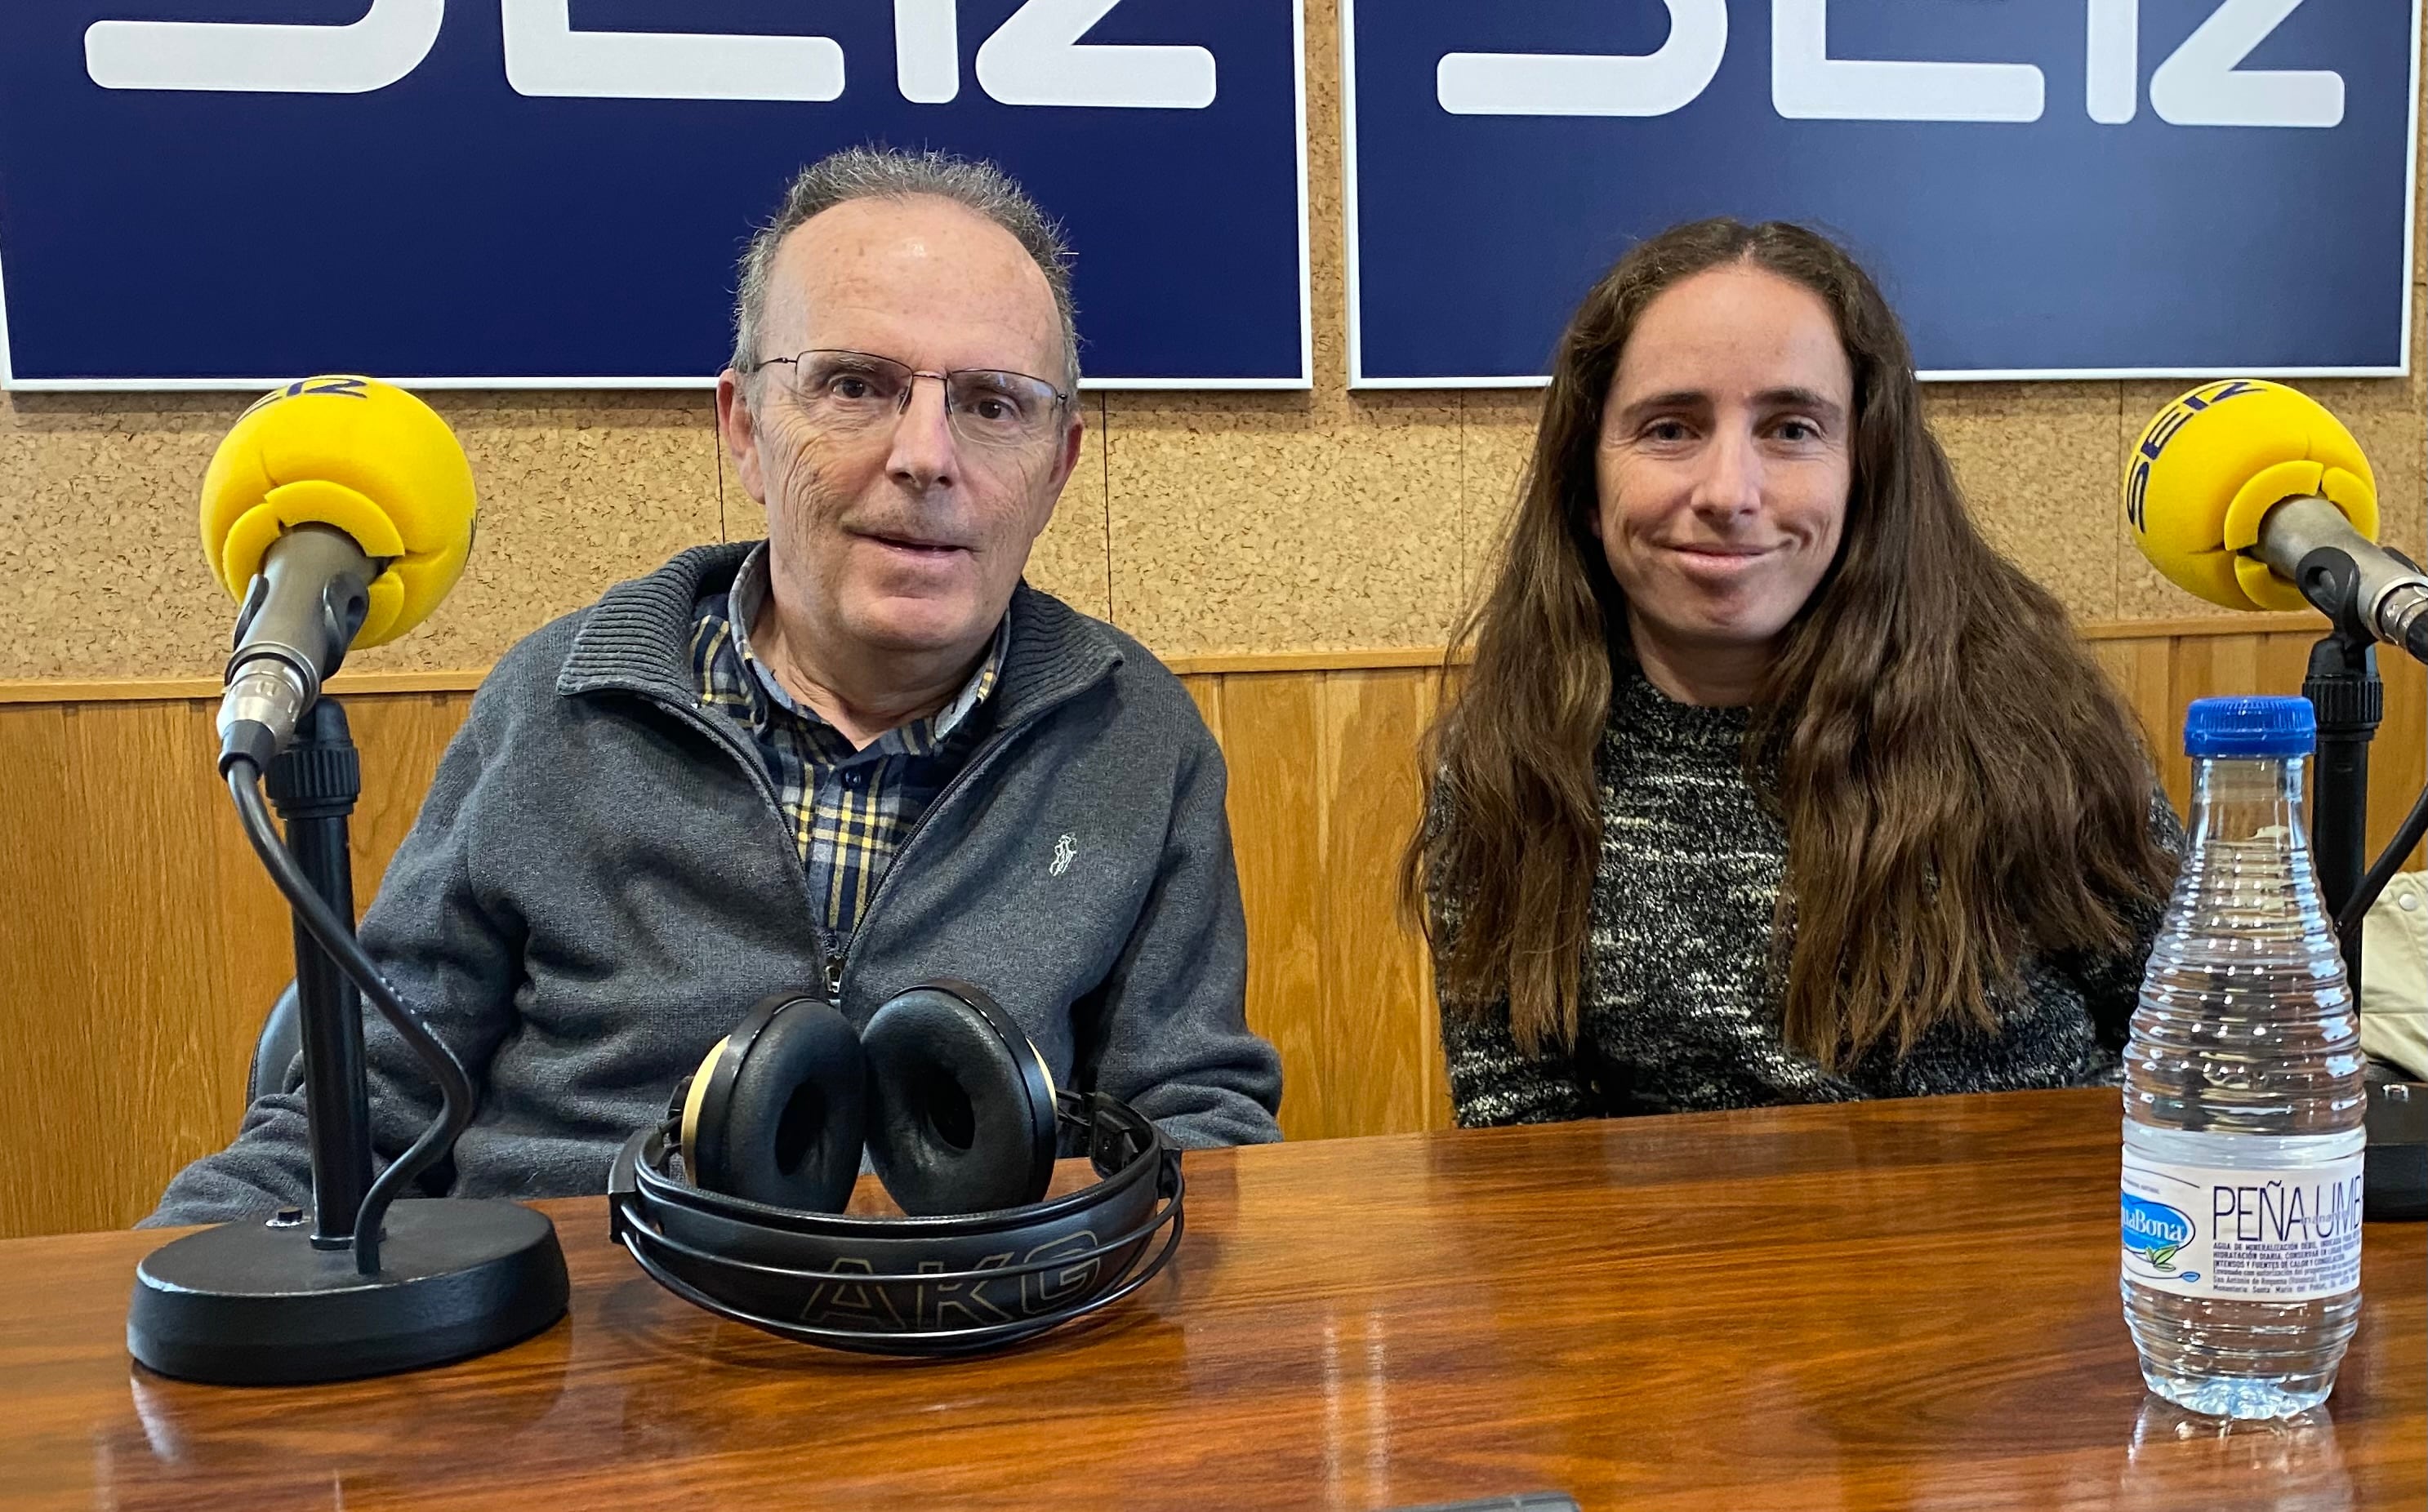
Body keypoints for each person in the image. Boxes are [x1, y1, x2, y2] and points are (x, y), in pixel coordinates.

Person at [149, 147, 1282, 1224]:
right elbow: (352, 1108)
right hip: (580, 1350)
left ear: (1057, 467)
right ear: (743, 429)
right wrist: (154, 1314)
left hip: (974, 1337)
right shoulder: (557, 701)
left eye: (992, 404)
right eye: (855, 385)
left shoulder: (1136, 734)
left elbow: (1199, 1130)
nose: (927, 457)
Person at [1404, 218, 2180, 1127]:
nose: (1730, 491)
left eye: (1792, 428)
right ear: (1586, 481)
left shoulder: (2035, 720)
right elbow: (1521, 1140)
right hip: (1680, 1266)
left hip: (2044, 1252)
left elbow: (2200, 1041)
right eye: (1670, 428)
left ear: (1868, 467)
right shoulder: (1511, 759)